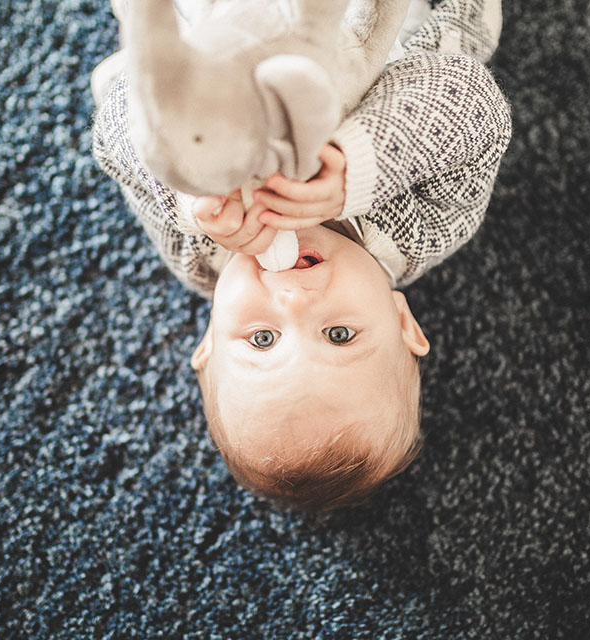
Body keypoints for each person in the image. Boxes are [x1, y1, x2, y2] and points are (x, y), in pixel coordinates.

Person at [91, 0, 512, 511]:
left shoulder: (195, 251)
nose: (293, 299)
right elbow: (472, 100)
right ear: (404, 323)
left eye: (262, 339)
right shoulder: (424, 231)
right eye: (338, 335)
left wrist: (189, 187)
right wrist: (359, 167)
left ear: (207, 342)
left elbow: (115, 126)